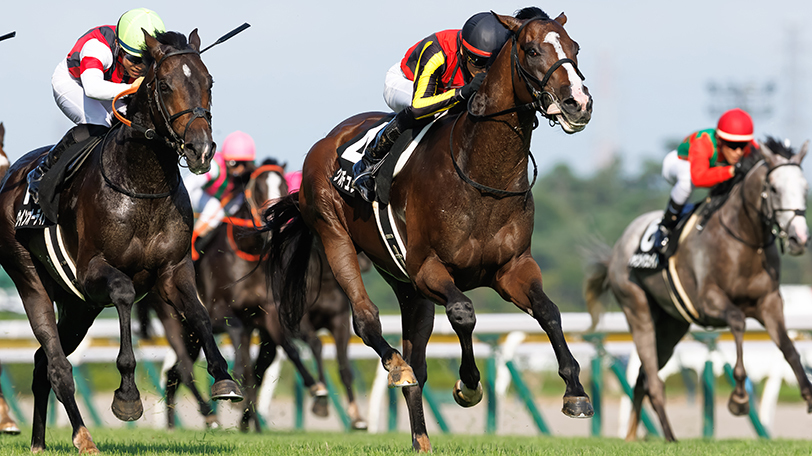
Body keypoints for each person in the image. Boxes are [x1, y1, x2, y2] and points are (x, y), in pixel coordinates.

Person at [352, 11, 513, 202]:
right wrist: (463, 92)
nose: (483, 70)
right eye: (478, 62)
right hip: (405, 83)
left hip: (442, 89)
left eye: (490, 63)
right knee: (430, 112)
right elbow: (419, 105)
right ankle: (369, 161)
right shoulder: (437, 51)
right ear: (463, 51)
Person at [27, 7, 165, 204]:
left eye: (146, 60)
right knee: (99, 124)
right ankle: (42, 173)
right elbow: (92, 88)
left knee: (132, 125)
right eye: (134, 59)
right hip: (74, 83)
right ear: (118, 44)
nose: (140, 67)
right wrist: (132, 87)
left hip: (112, 87)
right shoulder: (98, 47)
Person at [653, 108, 758, 254]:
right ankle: (666, 225)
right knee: (687, 179)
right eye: (733, 146)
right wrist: (732, 170)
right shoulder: (703, 142)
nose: (739, 152)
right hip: (679, 165)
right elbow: (699, 178)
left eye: (743, 145)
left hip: (710, 171)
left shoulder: (748, 147)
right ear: (720, 140)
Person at [185, 131, 257, 249]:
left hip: (220, 202)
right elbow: (190, 184)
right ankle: (190, 243)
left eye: (243, 164)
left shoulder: (245, 174)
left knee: (237, 208)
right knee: (214, 208)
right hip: (197, 195)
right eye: (234, 163)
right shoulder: (215, 166)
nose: (238, 169)